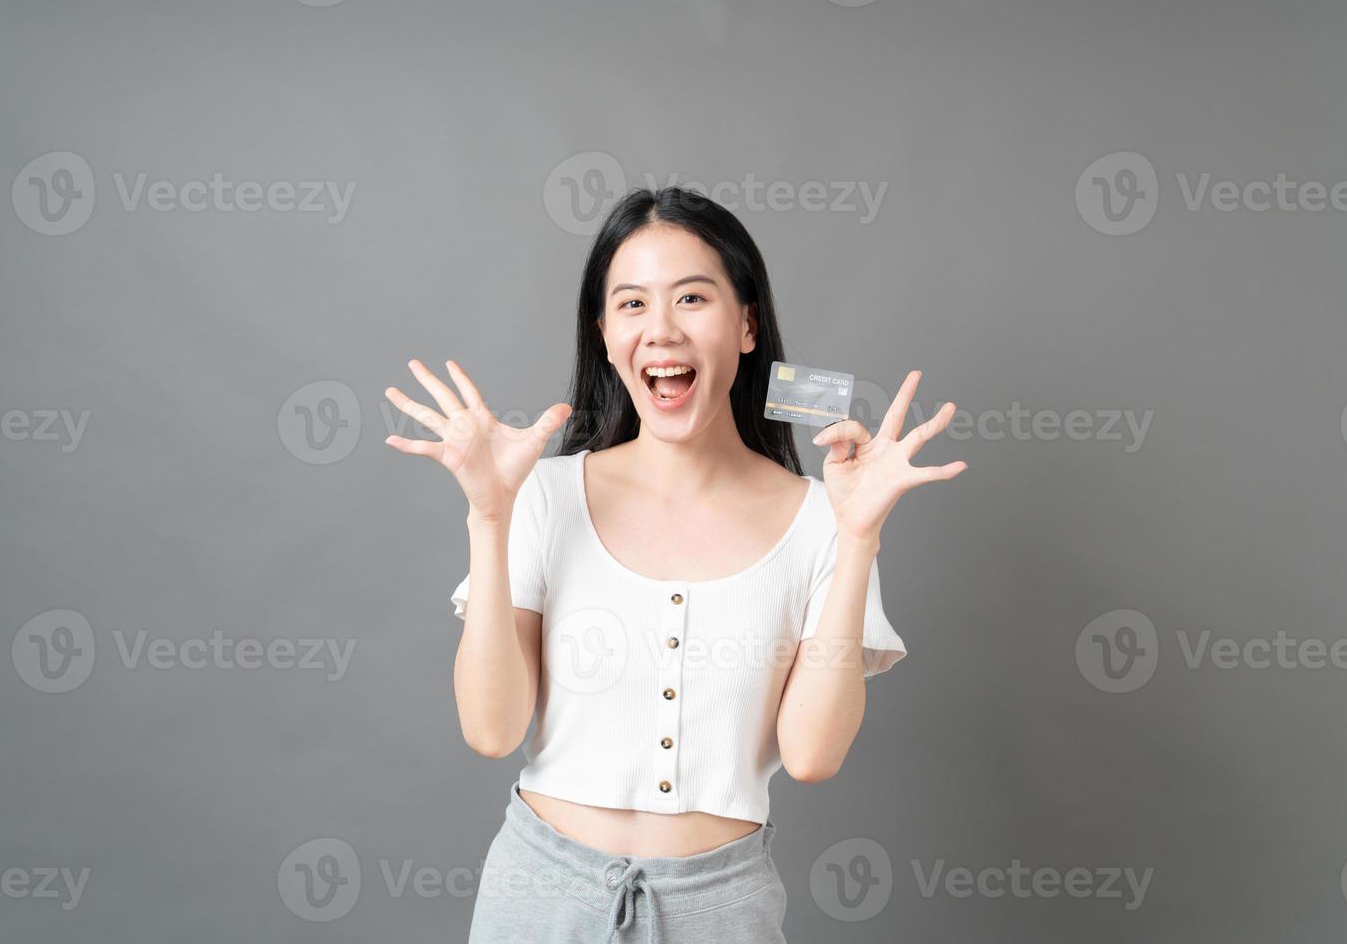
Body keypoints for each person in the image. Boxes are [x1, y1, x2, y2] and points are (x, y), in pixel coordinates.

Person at [384, 186, 967, 943]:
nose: (660, 330)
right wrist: (488, 518)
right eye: (631, 304)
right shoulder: (541, 495)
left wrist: (858, 537)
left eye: (692, 298)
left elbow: (814, 756)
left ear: (747, 322)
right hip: (536, 896)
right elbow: (492, 731)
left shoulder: (826, 518)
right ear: (603, 333)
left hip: (721, 910)